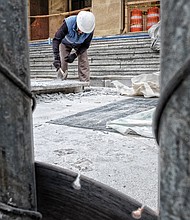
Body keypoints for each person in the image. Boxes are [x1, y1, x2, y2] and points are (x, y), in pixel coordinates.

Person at [52, 11, 95, 82]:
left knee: (84, 61)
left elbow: (85, 45)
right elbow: (56, 39)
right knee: (63, 62)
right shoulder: (68, 23)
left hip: (80, 44)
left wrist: (75, 55)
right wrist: (56, 58)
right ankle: (60, 81)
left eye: (84, 31)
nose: (81, 32)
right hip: (65, 43)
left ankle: (85, 83)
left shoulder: (89, 28)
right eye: (80, 29)